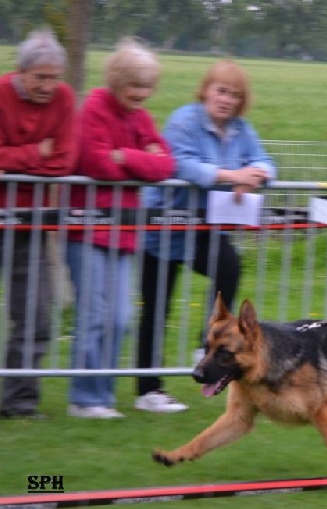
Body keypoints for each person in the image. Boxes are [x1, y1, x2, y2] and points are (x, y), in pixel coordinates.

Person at [136, 59, 277, 413]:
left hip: (204, 229)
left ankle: (208, 346)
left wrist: (255, 175)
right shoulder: (184, 120)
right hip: (164, 225)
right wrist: (233, 175)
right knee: (156, 306)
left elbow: (266, 162)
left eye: (234, 94)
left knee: (229, 267)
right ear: (206, 91)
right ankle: (148, 389)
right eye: (221, 91)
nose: (226, 100)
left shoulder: (242, 129)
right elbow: (183, 165)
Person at [64, 38, 174, 418]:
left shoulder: (141, 118)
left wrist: (125, 155)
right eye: (135, 86)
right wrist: (140, 161)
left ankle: (104, 395)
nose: (142, 94)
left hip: (125, 232)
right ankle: (85, 398)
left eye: (147, 87)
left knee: (121, 317)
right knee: (93, 315)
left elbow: (165, 167)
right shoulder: (93, 108)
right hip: (87, 230)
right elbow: (96, 165)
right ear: (116, 81)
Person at [0, 29, 78, 419]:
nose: (49, 86)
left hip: (27, 224)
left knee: (35, 313)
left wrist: (14, 158)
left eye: (54, 77)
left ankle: (18, 401)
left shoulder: (64, 99)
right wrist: (36, 152)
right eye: (40, 78)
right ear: (20, 72)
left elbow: (63, 161)